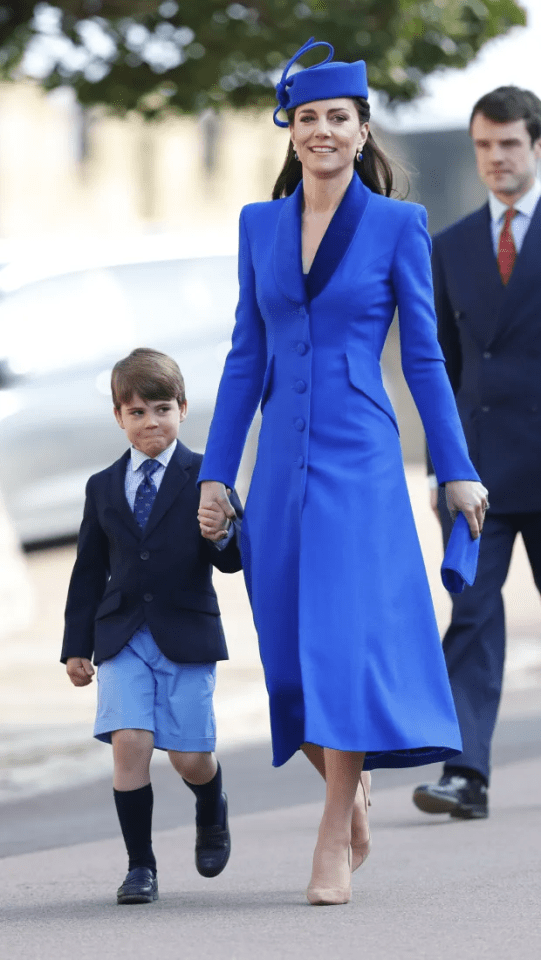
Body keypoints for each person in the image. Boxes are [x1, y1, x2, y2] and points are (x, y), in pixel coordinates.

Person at [197, 38, 487, 906]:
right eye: (309, 118)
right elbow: (245, 354)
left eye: (340, 119)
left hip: (360, 455)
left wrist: (454, 469)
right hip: (279, 457)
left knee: (338, 642)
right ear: (292, 132)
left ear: (362, 134)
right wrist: (216, 472)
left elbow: (427, 362)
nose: (323, 131)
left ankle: (332, 832)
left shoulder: (399, 226)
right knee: (285, 650)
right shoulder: (257, 225)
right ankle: (346, 782)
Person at [61, 348, 243, 905]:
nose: (150, 422)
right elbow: (88, 570)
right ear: (119, 417)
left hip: (185, 634)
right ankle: (141, 867)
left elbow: (233, 561)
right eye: (136, 412)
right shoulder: (101, 485)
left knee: (189, 756)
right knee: (130, 742)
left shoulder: (207, 476)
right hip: (120, 636)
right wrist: (76, 646)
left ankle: (211, 806)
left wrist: (222, 534)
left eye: (161, 408)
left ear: (183, 408)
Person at [413, 86, 541, 820]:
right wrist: (441, 466)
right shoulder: (450, 244)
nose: (495, 159)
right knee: (469, 617)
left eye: (508, 145)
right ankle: (464, 773)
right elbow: (440, 366)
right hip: (475, 473)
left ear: (533, 147)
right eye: (483, 146)